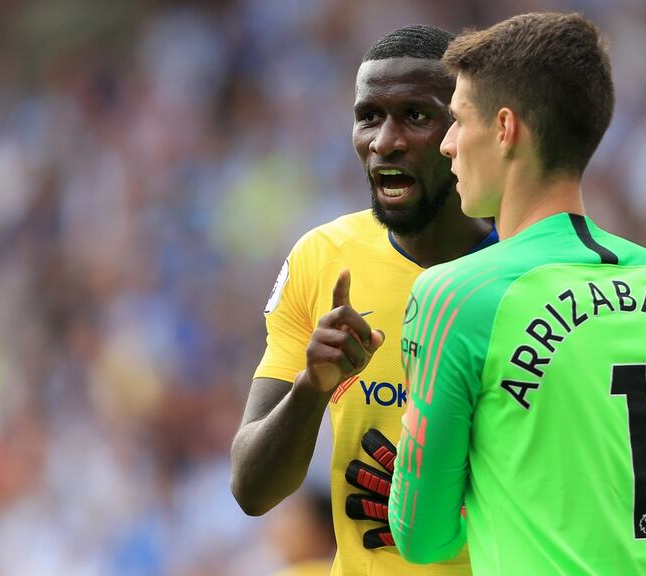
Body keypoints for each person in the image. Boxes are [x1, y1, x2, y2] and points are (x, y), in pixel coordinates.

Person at [388, 12, 646, 576]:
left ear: (505, 129)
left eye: (456, 120)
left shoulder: (455, 296)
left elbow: (421, 536)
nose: (446, 145)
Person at [230, 25, 495, 576]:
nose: (384, 141)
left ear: (462, 130)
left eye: (416, 116)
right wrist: (311, 387)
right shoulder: (322, 259)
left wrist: (432, 488)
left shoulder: (533, 276)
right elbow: (252, 490)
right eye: (369, 116)